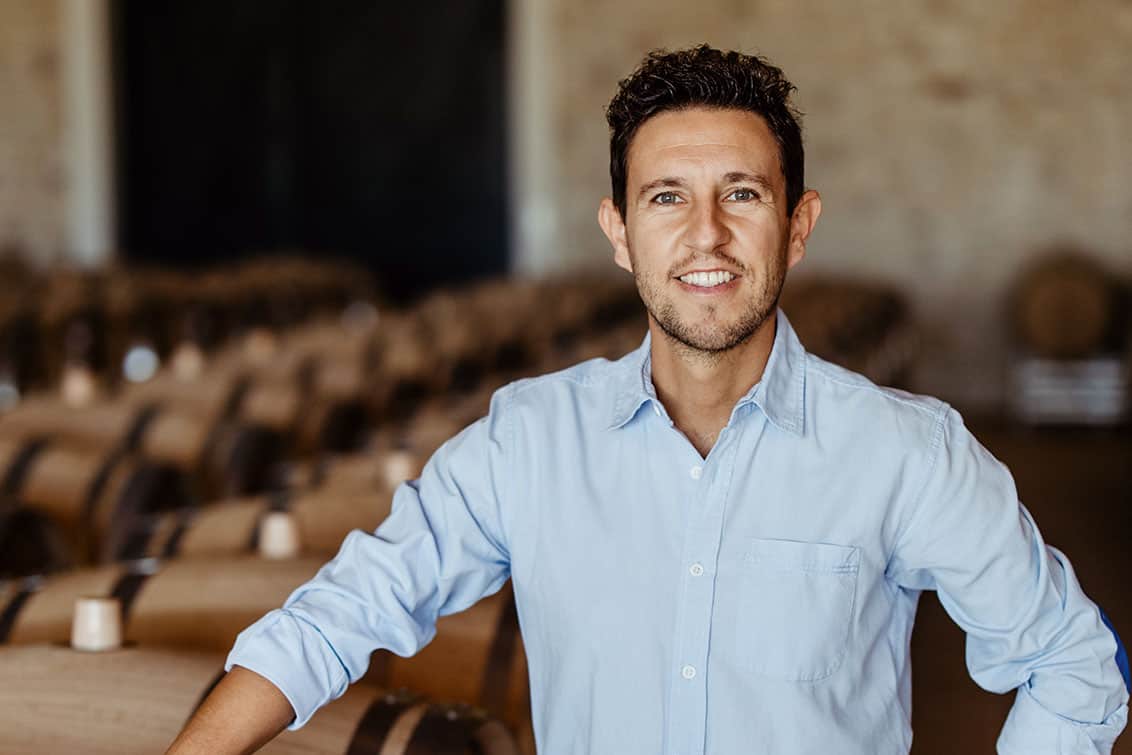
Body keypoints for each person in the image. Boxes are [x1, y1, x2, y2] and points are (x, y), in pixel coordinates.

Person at [168, 45, 1129, 754]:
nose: (706, 234)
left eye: (742, 194)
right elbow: (339, 615)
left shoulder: (905, 450)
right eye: (667, 196)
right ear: (620, 232)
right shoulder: (529, 440)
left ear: (798, 227)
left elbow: (1073, 661)